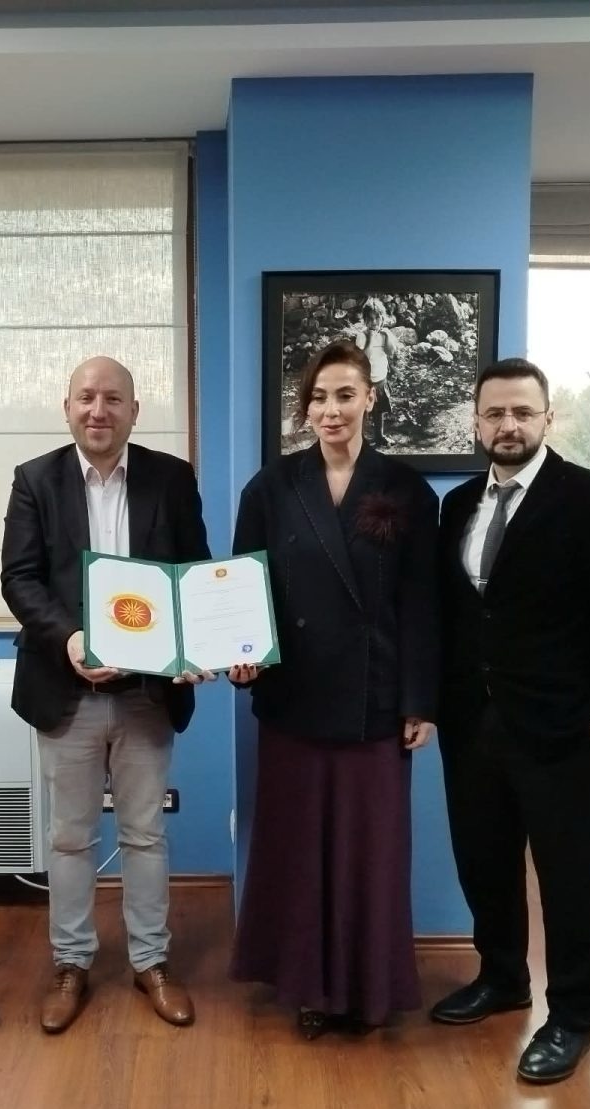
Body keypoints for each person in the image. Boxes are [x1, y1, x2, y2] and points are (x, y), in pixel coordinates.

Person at [432, 356, 590, 1084]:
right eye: (495, 413)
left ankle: (572, 1018)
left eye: (523, 412)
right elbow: (458, 617)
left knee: (572, 880)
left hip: (564, 730)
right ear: (475, 422)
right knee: (484, 863)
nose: (509, 425)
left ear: (548, 418)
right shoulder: (457, 506)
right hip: (474, 724)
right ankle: (503, 979)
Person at [228, 340, 439, 1039]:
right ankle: (309, 989)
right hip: (294, 698)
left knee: (369, 854)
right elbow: (244, 587)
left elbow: (421, 602)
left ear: (370, 399)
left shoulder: (406, 489)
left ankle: (368, 989)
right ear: (305, 407)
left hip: (376, 701)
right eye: (319, 397)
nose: (331, 410)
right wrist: (241, 654)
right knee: (300, 851)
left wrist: (420, 700)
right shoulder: (270, 487)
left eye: (345, 395)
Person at [1, 355, 210, 1034]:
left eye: (113, 399)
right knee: (69, 838)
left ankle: (152, 961)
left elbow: (193, 573)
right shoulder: (35, 480)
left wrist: (196, 645)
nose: (99, 410)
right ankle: (72, 964)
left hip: (147, 694)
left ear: (134, 411)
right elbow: (19, 578)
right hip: (66, 690)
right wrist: (69, 639)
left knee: (145, 833)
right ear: (67, 408)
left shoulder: (171, 479)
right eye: (86, 397)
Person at [353, 298, 399, 446]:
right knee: (363, 413)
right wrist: (371, 339)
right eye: (370, 319)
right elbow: (363, 358)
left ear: (382, 318)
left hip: (380, 380)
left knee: (379, 411)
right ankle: (358, 440)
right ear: (365, 320)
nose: (374, 322)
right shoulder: (362, 336)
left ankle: (380, 436)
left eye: (377, 318)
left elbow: (391, 352)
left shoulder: (385, 334)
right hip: (366, 382)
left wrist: (387, 337)